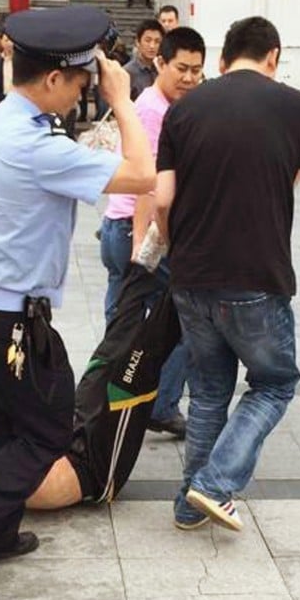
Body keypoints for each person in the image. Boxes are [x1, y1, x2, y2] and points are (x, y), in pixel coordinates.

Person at [0, 5, 155, 583]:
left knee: (4, 423)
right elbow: (144, 175)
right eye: (78, 83)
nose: (83, 94)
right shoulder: (39, 147)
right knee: (49, 430)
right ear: (52, 79)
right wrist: (124, 100)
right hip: (8, 323)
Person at [154, 16, 300, 532]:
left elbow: (163, 199)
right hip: (256, 274)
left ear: (223, 60)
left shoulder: (184, 109)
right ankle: (213, 484)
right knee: (274, 385)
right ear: (274, 57)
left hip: (190, 275)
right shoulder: (299, 108)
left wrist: (176, 248)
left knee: (207, 392)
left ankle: (188, 506)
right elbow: (288, 182)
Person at [100, 27, 207, 440]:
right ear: (160, 62)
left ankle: (108, 401)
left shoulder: (158, 103)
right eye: (181, 68)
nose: (189, 78)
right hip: (137, 231)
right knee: (186, 319)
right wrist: (142, 244)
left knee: (122, 324)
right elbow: (150, 183)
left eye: (196, 70)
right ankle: (160, 405)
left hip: (121, 226)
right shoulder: (155, 110)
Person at [125, 20, 164, 101]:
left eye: (157, 41)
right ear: (137, 42)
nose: (152, 46)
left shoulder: (162, 69)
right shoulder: (127, 72)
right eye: (148, 40)